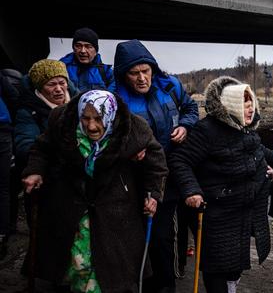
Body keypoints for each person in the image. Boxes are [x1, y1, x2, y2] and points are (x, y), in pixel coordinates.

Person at [21, 90, 168, 292]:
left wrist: (154, 194)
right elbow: (42, 148)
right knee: (74, 264)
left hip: (116, 208)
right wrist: (35, 170)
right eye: (85, 118)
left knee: (110, 269)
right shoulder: (62, 122)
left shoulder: (134, 128)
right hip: (71, 205)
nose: (91, 126)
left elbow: (156, 164)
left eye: (98, 119)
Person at [169, 76, 273, 293]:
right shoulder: (207, 130)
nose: (250, 109)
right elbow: (179, 160)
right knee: (216, 267)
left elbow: (260, 153)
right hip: (214, 214)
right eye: (244, 104)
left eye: (251, 104)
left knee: (234, 266)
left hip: (241, 213)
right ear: (230, 105)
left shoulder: (245, 129)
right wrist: (191, 190)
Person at [113, 39, 198, 293]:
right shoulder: (114, 97)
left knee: (163, 237)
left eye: (145, 71)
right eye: (134, 73)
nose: (141, 78)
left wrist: (185, 125)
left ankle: (165, 285)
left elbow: (191, 108)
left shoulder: (170, 86)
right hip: (132, 177)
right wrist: (128, 152)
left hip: (166, 173)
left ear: (153, 68)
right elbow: (105, 138)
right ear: (123, 74)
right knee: (135, 237)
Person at [12, 60, 78, 234]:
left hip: (77, 185)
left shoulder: (80, 104)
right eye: (51, 84)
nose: (58, 89)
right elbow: (25, 146)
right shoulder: (27, 112)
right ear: (40, 87)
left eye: (62, 82)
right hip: (48, 185)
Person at [60, 27, 115, 92]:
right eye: (78, 46)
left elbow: (111, 97)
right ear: (73, 48)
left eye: (88, 46)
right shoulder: (62, 68)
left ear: (96, 51)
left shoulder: (106, 72)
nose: (83, 51)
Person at [0, 69, 19, 258]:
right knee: (4, 187)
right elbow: (14, 99)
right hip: (3, 130)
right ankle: (3, 233)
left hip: (3, 132)